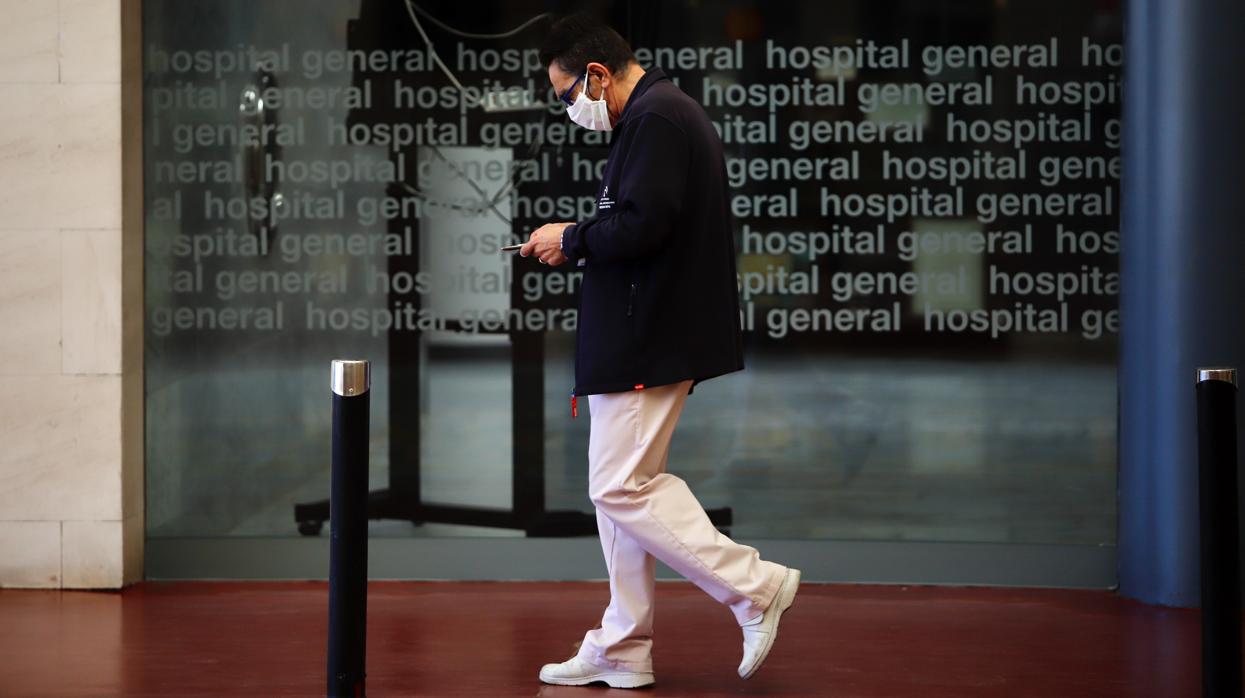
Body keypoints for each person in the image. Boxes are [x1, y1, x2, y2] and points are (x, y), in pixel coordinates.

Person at [520, 13, 801, 689]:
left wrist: (571, 236)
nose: (569, 111)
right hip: (639, 332)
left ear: (594, 74)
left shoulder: (655, 121)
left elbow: (642, 225)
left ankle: (753, 586)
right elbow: (640, 222)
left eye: (565, 96)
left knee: (621, 487)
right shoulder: (655, 116)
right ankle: (621, 647)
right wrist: (581, 239)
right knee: (618, 494)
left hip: (646, 335)